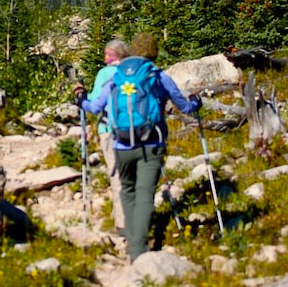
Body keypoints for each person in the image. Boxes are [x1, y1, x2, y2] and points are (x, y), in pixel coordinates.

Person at [74, 32, 200, 260]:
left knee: (127, 191)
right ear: (153, 53)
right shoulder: (158, 76)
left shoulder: (116, 77)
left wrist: (81, 99)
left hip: (121, 143)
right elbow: (185, 106)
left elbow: (94, 107)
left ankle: (133, 241)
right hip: (152, 143)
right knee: (144, 194)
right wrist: (196, 101)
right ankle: (138, 249)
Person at [86, 39, 129, 231]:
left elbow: (95, 103)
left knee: (118, 177)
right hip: (140, 132)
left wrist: (80, 97)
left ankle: (123, 225)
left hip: (110, 131)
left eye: (106, 54)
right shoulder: (135, 71)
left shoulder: (104, 74)